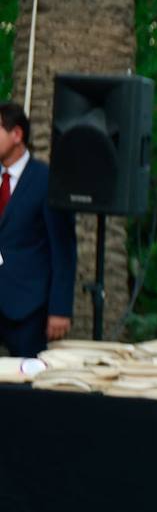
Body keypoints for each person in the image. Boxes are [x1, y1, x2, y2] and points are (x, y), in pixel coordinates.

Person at [0, 102, 76, 358]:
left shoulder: (46, 181)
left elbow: (63, 248)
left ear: (17, 134)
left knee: (26, 387)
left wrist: (60, 309)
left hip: (29, 307)